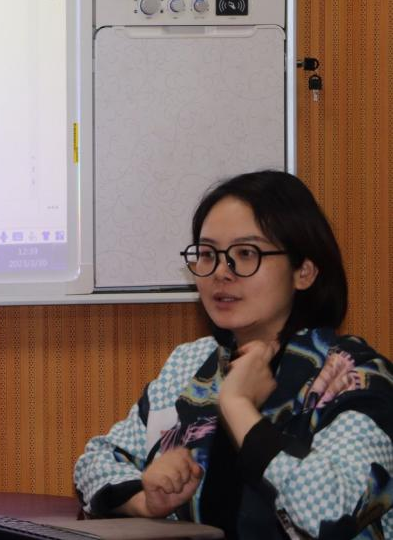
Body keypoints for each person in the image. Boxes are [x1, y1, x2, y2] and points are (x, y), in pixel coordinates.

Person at [74, 171, 393, 539]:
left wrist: (238, 407)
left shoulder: (356, 376)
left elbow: (333, 513)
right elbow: (95, 461)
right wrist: (145, 500)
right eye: (208, 254)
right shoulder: (192, 364)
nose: (221, 273)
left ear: (304, 271)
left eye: (246, 254)